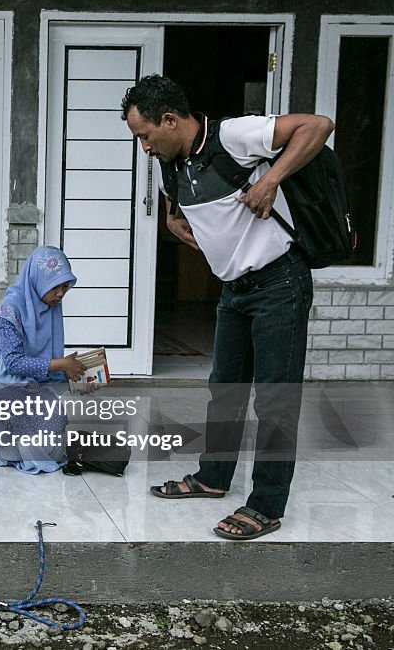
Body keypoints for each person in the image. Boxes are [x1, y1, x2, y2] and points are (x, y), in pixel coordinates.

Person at [120, 74, 334, 540]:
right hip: (234, 291)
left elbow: (317, 125)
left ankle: (266, 505)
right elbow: (179, 212)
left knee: (276, 399)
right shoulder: (170, 165)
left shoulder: (233, 135)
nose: (144, 147)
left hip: (280, 281)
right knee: (226, 390)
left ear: (171, 119)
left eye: (145, 135)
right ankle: (213, 479)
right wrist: (180, 229)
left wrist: (272, 179)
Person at [0, 246, 85, 474]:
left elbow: (44, 354)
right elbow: (14, 362)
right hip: (1, 381)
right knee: (38, 428)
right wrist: (61, 364)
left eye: (65, 286)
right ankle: (1, 444)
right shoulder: (10, 308)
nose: (60, 293)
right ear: (37, 280)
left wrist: (69, 372)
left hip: (26, 378)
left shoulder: (50, 306)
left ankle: (13, 443)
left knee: (54, 420)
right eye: (55, 286)